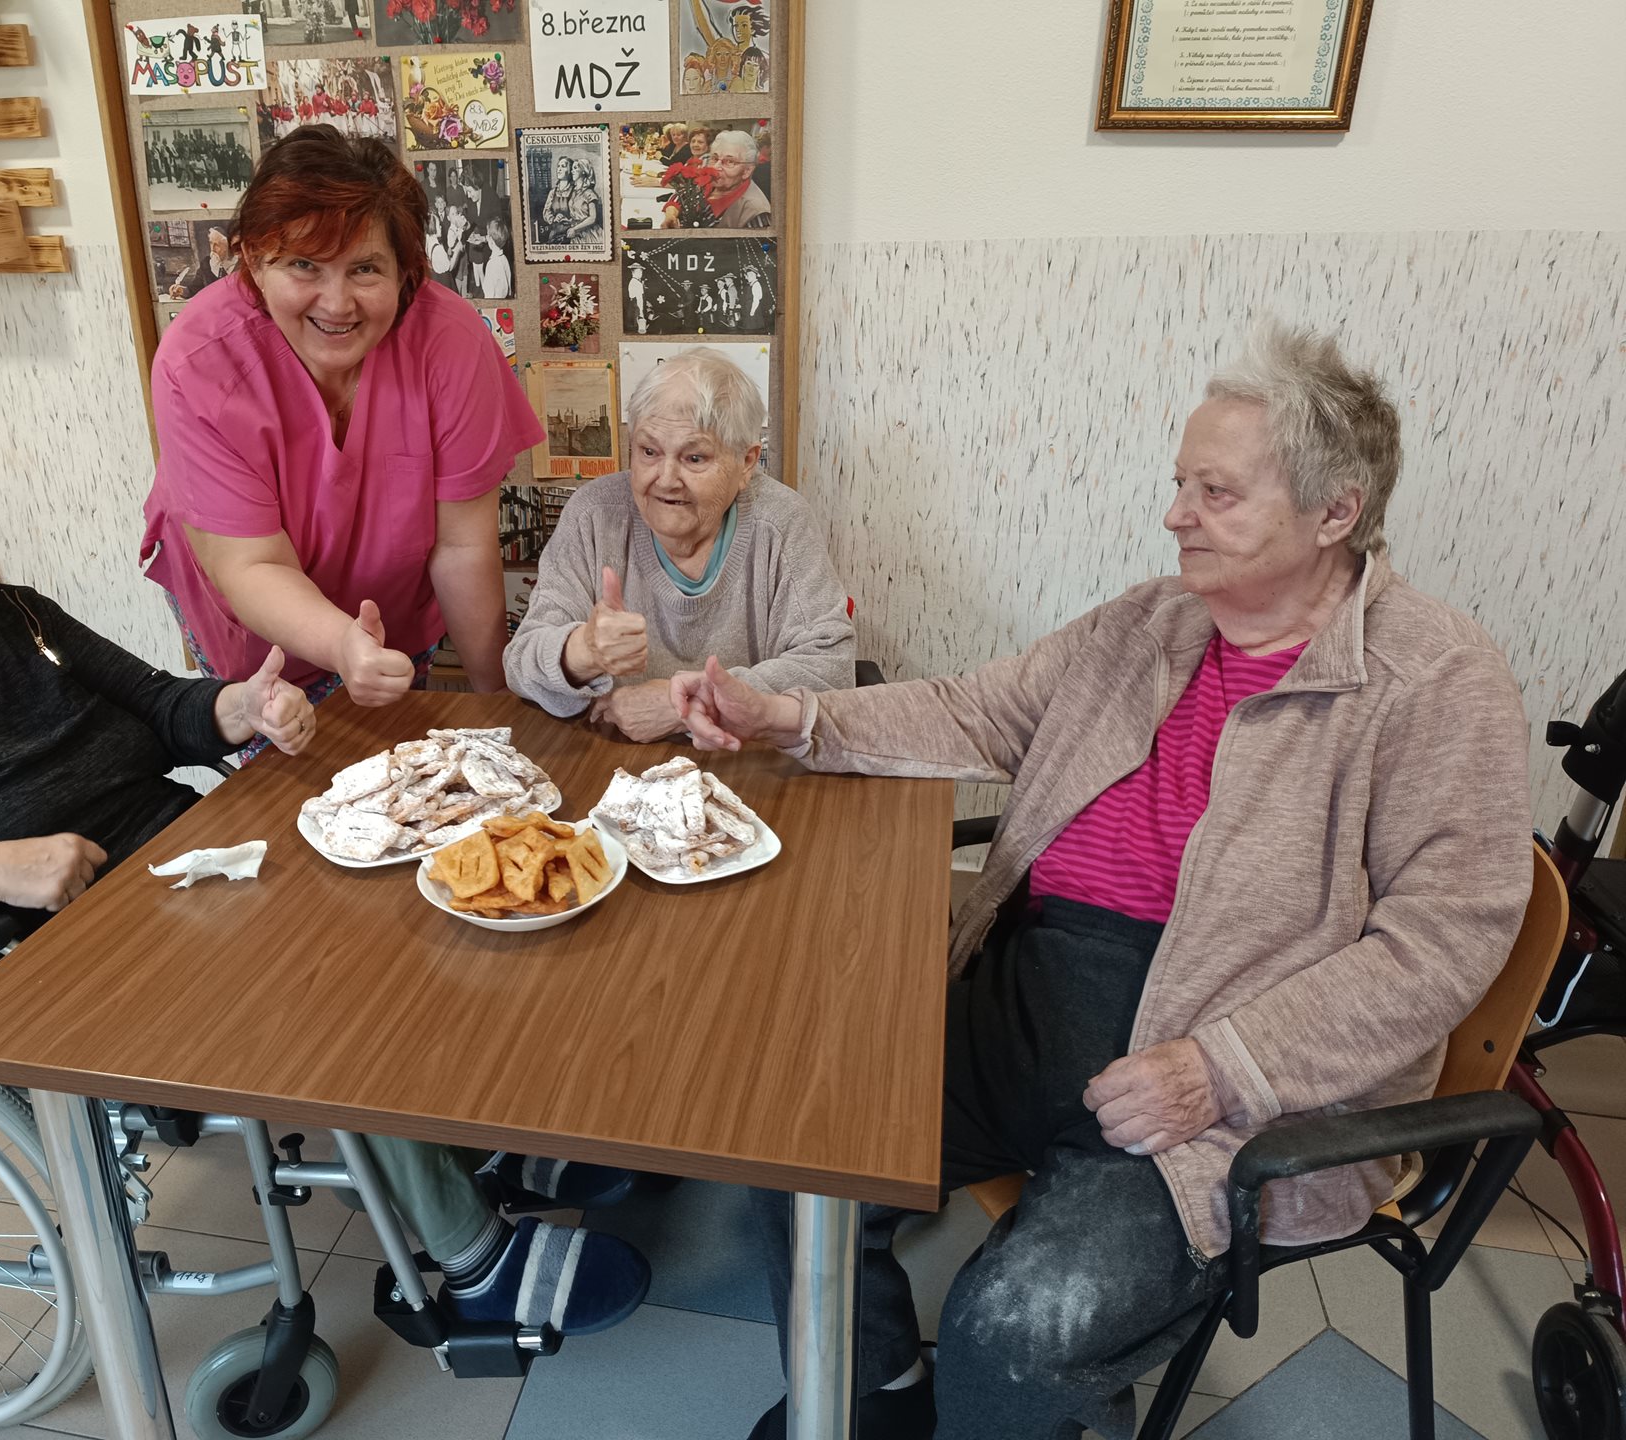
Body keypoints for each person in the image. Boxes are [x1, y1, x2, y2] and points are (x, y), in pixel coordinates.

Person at [670, 324, 1534, 1440]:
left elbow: (1445, 942)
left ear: (1335, 513)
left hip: (1213, 1078)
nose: (1177, 515)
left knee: (1015, 1331)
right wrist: (790, 715)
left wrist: (1222, 1068)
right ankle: (873, 1397)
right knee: (793, 1145)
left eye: (1216, 493)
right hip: (1032, 993)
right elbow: (974, 710)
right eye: (1181, 484)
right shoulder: (1151, 622)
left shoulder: (1434, 679)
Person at [0, 414, 652, 1342]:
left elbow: (160, 707)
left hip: (177, 877)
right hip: (34, 959)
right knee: (340, 991)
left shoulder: (16, 616)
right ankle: (476, 1265)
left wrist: (241, 707)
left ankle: (473, 1145)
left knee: (410, 911)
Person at [141, 127, 542, 760]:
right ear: (254, 261)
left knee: (403, 768)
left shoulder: (451, 342)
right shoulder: (199, 360)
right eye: (303, 264)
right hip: (259, 624)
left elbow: (462, 545)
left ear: (406, 271)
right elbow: (251, 566)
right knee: (291, 777)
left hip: (389, 615)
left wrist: (498, 699)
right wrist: (341, 643)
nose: (337, 303)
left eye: (365, 269)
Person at [505, 348, 853, 741]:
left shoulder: (781, 521)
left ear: (746, 463)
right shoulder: (594, 515)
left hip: (738, 756)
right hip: (609, 755)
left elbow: (832, 669)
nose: (666, 479)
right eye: (649, 452)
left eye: (694, 458)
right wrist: (582, 651)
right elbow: (520, 663)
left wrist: (685, 705)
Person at [705, 130, 772, 229]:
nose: (716, 167)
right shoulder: (706, 186)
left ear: (747, 171)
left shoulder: (755, 212)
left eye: (729, 161)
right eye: (715, 158)